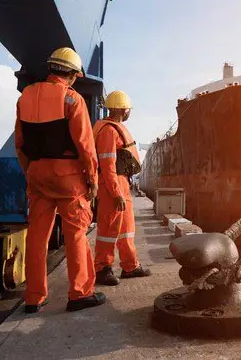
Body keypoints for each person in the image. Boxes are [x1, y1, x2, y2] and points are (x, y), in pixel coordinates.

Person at [14, 47, 106, 312]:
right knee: (76, 234)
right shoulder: (72, 100)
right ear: (74, 75)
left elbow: (20, 142)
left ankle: (33, 297)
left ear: (51, 68)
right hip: (68, 178)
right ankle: (79, 294)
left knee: (36, 238)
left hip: (37, 175)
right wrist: (92, 181)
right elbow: (86, 147)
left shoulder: (25, 98)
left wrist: (30, 171)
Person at [93, 90, 151, 285]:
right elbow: (108, 165)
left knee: (127, 228)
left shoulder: (113, 128)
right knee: (108, 229)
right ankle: (102, 268)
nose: (129, 113)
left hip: (122, 183)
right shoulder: (108, 131)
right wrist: (115, 193)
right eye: (128, 110)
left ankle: (130, 266)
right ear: (122, 109)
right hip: (112, 185)